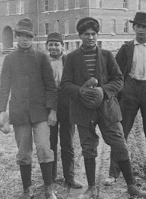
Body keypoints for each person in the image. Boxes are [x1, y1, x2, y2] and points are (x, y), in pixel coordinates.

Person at [60, 17, 146, 198]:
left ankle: (132, 186)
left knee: (119, 144)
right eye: (87, 34)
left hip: (107, 108)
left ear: (97, 35)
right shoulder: (71, 58)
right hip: (83, 109)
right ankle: (92, 187)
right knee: (88, 147)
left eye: (94, 34)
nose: (91, 37)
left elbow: (119, 80)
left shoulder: (107, 55)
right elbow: (65, 85)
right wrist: (81, 91)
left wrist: (103, 91)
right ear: (80, 36)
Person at [105, 12, 146, 188]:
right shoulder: (126, 48)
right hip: (129, 92)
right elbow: (115, 73)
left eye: (145, 27)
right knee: (121, 134)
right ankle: (114, 173)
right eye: (138, 26)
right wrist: (122, 89)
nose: (141, 30)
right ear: (133, 27)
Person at [0, 18, 58, 199]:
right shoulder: (9, 59)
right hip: (19, 113)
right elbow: (4, 87)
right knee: (24, 152)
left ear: (33, 37)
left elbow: (50, 86)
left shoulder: (41, 57)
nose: (25, 39)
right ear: (17, 37)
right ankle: (27, 189)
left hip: (40, 113)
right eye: (21, 36)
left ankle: (48, 187)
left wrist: (52, 110)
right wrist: (1, 111)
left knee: (43, 148)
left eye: (28, 36)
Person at [46, 32, 82, 189]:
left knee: (67, 142)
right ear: (47, 46)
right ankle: (51, 176)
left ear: (62, 45)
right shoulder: (43, 61)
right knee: (50, 142)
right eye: (51, 44)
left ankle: (69, 177)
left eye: (56, 44)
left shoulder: (69, 60)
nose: (54, 47)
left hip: (67, 106)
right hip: (49, 107)